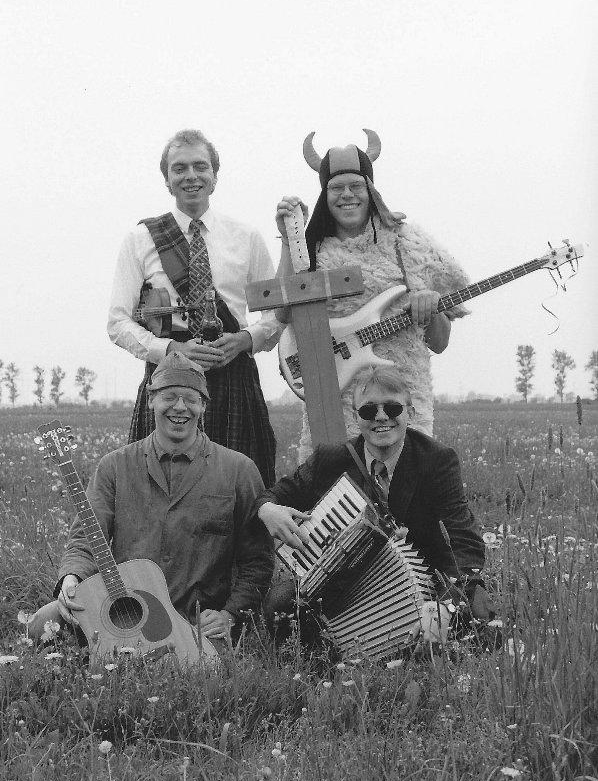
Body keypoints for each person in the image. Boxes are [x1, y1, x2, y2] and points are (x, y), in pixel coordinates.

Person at [256, 366, 493, 646]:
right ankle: (324, 660)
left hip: (426, 582)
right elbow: (273, 495)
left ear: (410, 413)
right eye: (369, 410)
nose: (381, 417)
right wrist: (267, 509)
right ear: (356, 417)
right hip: (345, 582)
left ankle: (424, 645)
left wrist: (444, 606)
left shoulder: (437, 460)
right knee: (281, 602)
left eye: (392, 408)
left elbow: (465, 543)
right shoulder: (330, 459)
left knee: (478, 615)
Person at [47, 352, 274, 643]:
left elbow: (258, 560)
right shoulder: (114, 466)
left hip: (196, 623)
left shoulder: (239, 470)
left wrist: (230, 614)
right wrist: (73, 577)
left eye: (191, 399)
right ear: (151, 399)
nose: (180, 407)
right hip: (124, 614)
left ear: (203, 406)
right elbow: (86, 538)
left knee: (188, 667)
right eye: (169, 397)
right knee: (41, 625)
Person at [276, 129, 470, 455]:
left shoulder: (408, 244)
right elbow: (282, 312)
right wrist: (288, 240)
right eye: (336, 187)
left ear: (371, 190)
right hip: (332, 411)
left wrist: (433, 309)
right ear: (324, 195)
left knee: (407, 483)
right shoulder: (310, 252)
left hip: (402, 407)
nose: (346, 195)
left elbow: (439, 343)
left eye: (356, 186)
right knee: (333, 484)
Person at [108, 128, 281, 486]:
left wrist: (245, 340)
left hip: (232, 377)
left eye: (200, 167)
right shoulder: (140, 240)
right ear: (167, 180)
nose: (191, 176)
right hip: (168, 381)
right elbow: (118, 323)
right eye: (180, 168)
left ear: (215, 176)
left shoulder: (247, 237)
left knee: (241, 491)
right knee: (157, 491)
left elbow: (276, 314)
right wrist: (171, 349)